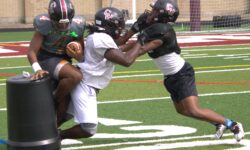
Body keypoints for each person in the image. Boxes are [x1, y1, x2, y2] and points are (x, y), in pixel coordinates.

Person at [134, 0, 245, 142]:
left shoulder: (163, 31)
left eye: (155, 10)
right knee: (182, 110)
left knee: (193, 109)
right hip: (170, 77)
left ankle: (233, 125)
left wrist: (116, 55)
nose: (151, 12)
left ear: (162, 15)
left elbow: (139, 49)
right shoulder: (154, 27)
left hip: (181, 74)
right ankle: (217, 123)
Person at [58, 7, 143, 139]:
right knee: (88, 128)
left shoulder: (100, 37)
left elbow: (119, 46)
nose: (121, 27)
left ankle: (39, 136)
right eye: (119, 24)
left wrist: (135, 34)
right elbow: (126, 60)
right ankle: (56, 137)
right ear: (110, 24)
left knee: (63, 116)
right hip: (85, 84)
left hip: (86, 83)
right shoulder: (100, 38)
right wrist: (141, 40)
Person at [27, 0, 85, 125]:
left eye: (66, 23)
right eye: (59, 23)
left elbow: (81, 53)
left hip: (64, 59)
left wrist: (78, 53)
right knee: (75, 76)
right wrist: (37, 69)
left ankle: (51, 133)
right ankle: (52, 100)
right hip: (46, 58)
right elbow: (31, 52)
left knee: (63, 108)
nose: (63, 27)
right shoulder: (44, 23)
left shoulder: (78, 25)